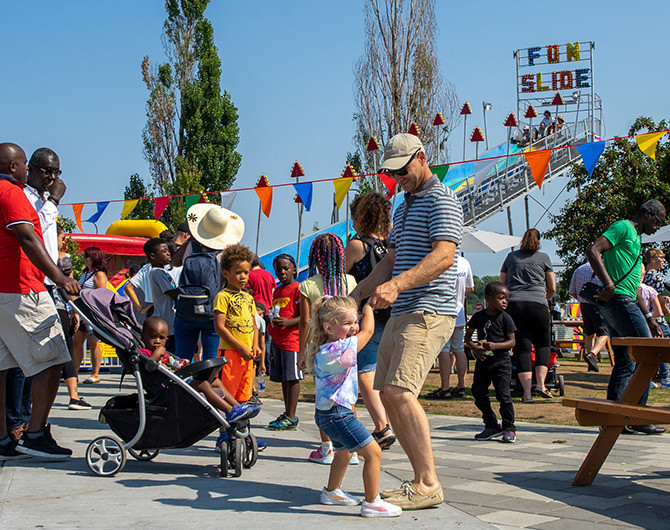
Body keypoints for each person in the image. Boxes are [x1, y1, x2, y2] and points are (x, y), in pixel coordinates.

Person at [350, 133, 462, 510]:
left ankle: (429, 482)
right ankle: (420, 480)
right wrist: (357, 294)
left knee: (398, 392)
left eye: (404, 170)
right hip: (402, 310)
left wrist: (396, 286)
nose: (400, 178)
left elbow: (444, 256)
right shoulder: (403, 206)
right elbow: (389, 261)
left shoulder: (442, 199)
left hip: (429, 309)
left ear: (423, 157)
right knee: (385, 393)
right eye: (393, 173)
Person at [0, 142, 81, 460]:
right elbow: (28, 236)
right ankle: (34, 434)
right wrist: (60, 278)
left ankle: (4, 440)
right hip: (21, 287)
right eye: (22, 165)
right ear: (14, 167)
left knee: (4, 367)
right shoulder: (12, 193)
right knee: (53, 358)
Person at [307, 296, 401, 518]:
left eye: (355, 321)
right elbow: (368, 332)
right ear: (329, 327)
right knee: (374, 453)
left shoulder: (327, 348)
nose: (354, 327)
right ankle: (372, 503)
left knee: (344, 452)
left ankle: (331, 492)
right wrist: (368, 306)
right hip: (339, 415)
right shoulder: (339, 350)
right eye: (348, 323)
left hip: (329, 415)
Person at [586, 199, 666, 435]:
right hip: (619, 301)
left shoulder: (637, 238)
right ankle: (637, 416)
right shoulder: (623, 227)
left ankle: (613, 417)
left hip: (624, 300)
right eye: (658, 221)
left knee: (624, 361)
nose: (657, 227)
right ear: (648, 213)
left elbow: (634, 285)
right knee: (648, 356)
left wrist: (649, 316)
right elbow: (593, 250)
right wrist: (608, 283)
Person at [298, 233, 358, 465]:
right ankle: (350, 448)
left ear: (315, 256)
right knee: (348, 394)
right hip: (347, 347)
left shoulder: (308, 284)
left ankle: (327, 448)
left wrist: (302, 352)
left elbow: (304, 322)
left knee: (324, 396)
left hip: (320, 348)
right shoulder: (350, 282)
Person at [139, 316, 258, 428]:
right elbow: (149, 367)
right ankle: (229, 411)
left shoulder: (164, 353)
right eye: (153, 337)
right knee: (203, 385)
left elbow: (173, 365)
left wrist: (181, 364)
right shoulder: (144, 353)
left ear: (167, 339)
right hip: (166, 387)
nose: (157, 341)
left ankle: (238, 407)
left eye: (161, 338)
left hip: (177, 382)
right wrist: (157, 354)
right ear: (143, 337)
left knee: (215, 381)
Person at [345, 192, 395, 448]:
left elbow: (341, 276)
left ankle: (381, 426)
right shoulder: (391, 246)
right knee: (384, 373)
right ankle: (387, 422)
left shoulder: (356, 246)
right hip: (392, 312)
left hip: (367, 313)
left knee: (365, 372)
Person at [175, 203, 244, 361]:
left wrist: (190, 240)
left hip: (185, 309)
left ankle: (180, 385)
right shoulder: (226, 253)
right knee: (211, 360)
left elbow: (174, 261)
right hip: (214, 311)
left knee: (181, 361)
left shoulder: (189, 247)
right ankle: (208, 383)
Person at [500, 228, 556, 403]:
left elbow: (502, 283)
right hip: (538, 304)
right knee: (542, 345)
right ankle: (541, 385)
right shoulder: (544, 258)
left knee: (522, 348)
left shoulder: (511, 258)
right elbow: (552, 286)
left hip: (515, 304)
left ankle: (526, 394)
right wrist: (545, 299)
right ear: (539, 241)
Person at [465, 282, 517, 442]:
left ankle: (509, 427)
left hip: (501, 362)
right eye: (501, 298)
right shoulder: (478, 317)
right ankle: (491, 425)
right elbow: (468, 337)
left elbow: (512, 341)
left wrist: (496, 346)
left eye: (506, 299)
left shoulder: (505, 318)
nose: (505, 302)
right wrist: (475, 348)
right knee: (478, 393)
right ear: (488, 299)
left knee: (503, 395)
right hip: (483, 361)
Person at [214, 243, 261, 404]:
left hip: (247, 354)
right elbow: (220, 327)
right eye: (238, 272)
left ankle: (240, 423)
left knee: (244, 393)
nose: (243, 276)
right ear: (226, 273)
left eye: (246, 273)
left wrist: (255, 346)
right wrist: (240, 348)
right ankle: (225, 426)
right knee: (228, 393)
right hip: (230, 353)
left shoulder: (248, 298)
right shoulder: (223, 296)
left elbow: (254, 324)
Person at [426, 255, 474, 399]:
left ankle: (445, 387)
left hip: (443, 311)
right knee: (459, 349)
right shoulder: (465, 262)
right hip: (459, 312)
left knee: (444, 350)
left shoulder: (440, 260)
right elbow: (470, 287)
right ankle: (461, 385)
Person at [267, 254, 303, 431]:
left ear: (294, 270)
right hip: (278, 341)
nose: (282, 272)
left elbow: (305, 316)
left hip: (292, 340)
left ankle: (292, 415)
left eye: (286, 268)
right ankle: (287, 412)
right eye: (278, 269)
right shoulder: (278, 291)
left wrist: (289, 322)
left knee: (293, 377)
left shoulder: (298, 289)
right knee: (283, 378)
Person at [72, 246, 108, 384]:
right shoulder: (85, 273)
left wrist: (93, 315)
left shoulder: (99, 275)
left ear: (93, 258)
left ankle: (95, 374)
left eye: (86, 256)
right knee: (77, 342)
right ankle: (73, 373)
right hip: (81, 313)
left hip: (92, 315)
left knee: (93, 343)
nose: (84, 259)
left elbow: (101, 296)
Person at [568, 262, 610, 372]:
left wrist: (583, 299)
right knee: (605, 332)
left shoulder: (578, 269)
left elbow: (572, 291)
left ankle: (591, 363)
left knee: (589, 333)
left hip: (584, 304)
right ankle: (592, 354)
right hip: (599, 304)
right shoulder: (603, 267)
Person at [642, 248, 670, 387]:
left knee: (652, 349)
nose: (664, 260)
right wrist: (666, 310)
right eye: (661, 257)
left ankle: (650, 378)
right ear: (653, 259)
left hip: (646, 315)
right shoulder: (657, 276)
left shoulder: (644, 275)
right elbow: (657, 296)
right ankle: (666, 378)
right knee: (664, 348)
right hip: (657, 317)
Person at [146, 238, 178, 353]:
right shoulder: (157, 273)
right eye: (164, 251)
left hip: (170, 323)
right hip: (167, 324)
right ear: (153, 256)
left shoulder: (163, 272)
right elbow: (172, 293)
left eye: (168, 250)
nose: (168, 253)